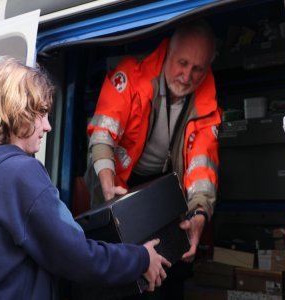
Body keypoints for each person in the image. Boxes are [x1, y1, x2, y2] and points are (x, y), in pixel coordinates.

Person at [0, 57, 171, 300]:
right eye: (41, 113)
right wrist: (141, 259)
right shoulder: (21, 173)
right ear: (16, 110)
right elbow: (77, 256)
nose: (48, 126)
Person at [85, 20, 222, 299]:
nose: (187, 75)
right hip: (121, 184)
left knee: (169, 267)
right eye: (182, 63)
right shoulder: (130, 77)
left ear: (208, 66)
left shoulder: (207, 102)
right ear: (167, 54)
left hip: (166, 188)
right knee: (124, 268)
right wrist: (108, 187)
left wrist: (199, 214)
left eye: (198, 68)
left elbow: (202, 167)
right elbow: (102, 135)